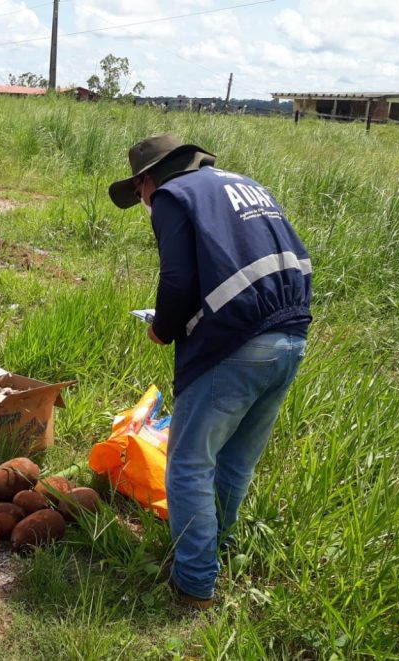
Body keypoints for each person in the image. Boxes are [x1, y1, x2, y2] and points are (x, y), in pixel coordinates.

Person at [108, 134, 312, 609]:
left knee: (189, 465)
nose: (143, 201)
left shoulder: (172, 195)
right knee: (235, 461)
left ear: (147, 179)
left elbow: (178, 279)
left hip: (234, 345)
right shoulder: (246, 185)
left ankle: (194, 583)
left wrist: (163, 327)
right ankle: (215, 547)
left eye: (139, 193)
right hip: (291, 336)